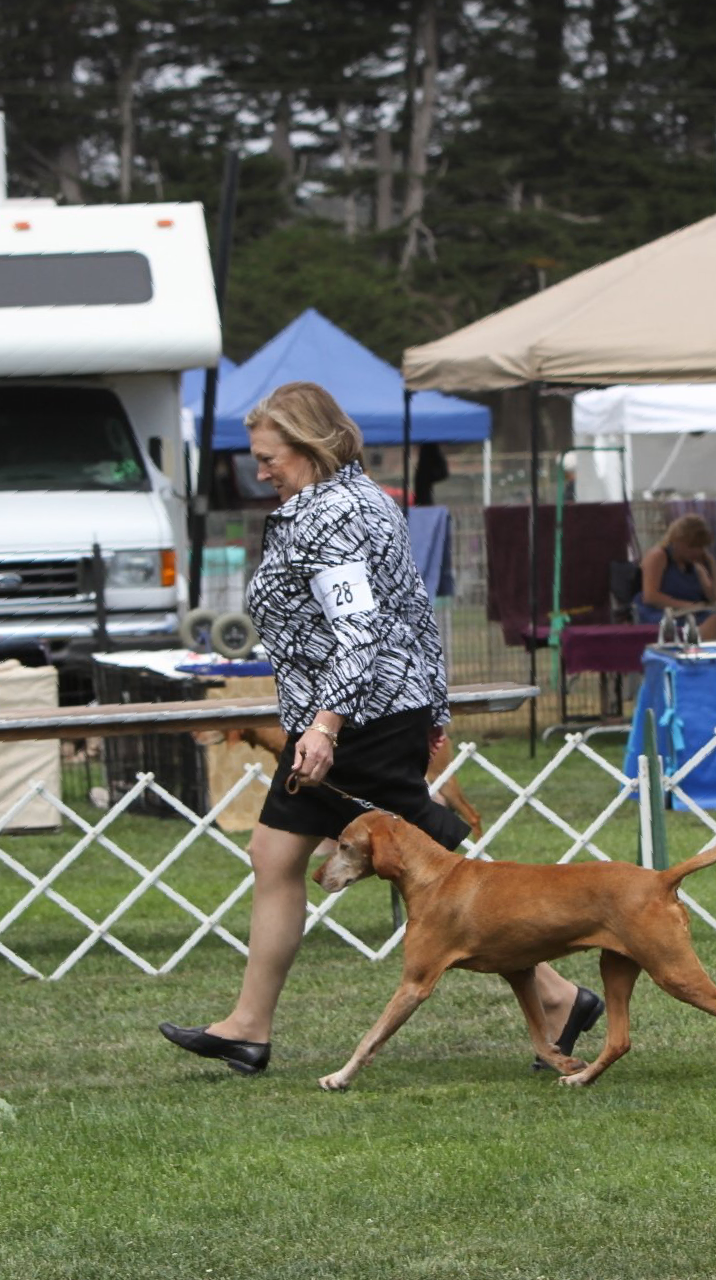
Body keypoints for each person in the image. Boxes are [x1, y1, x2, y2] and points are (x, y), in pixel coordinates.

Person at [160, 381, 602, 1075]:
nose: (260, 470)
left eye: (268, 457)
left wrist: (326, 726)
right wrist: (429, 709)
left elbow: (360, 629)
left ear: (309, 447)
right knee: (286, 858)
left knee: (435, 870)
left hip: (354, 717)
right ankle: (249, 1025)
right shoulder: (364, 500)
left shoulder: (333, 516)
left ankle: (556, 995)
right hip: (374, 709)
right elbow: (411, 613)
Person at [634, 514, 716, 641]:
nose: (697, 552)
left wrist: (712, 565)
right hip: (662, 614)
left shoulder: (695, 566)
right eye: (692, 547)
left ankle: (702, 646)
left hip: (692, 613)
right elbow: (651, 597)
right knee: (713, 620)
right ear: (676, 541)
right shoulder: (658, 556)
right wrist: (692, 606)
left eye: (701, 547)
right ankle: (700, 652)